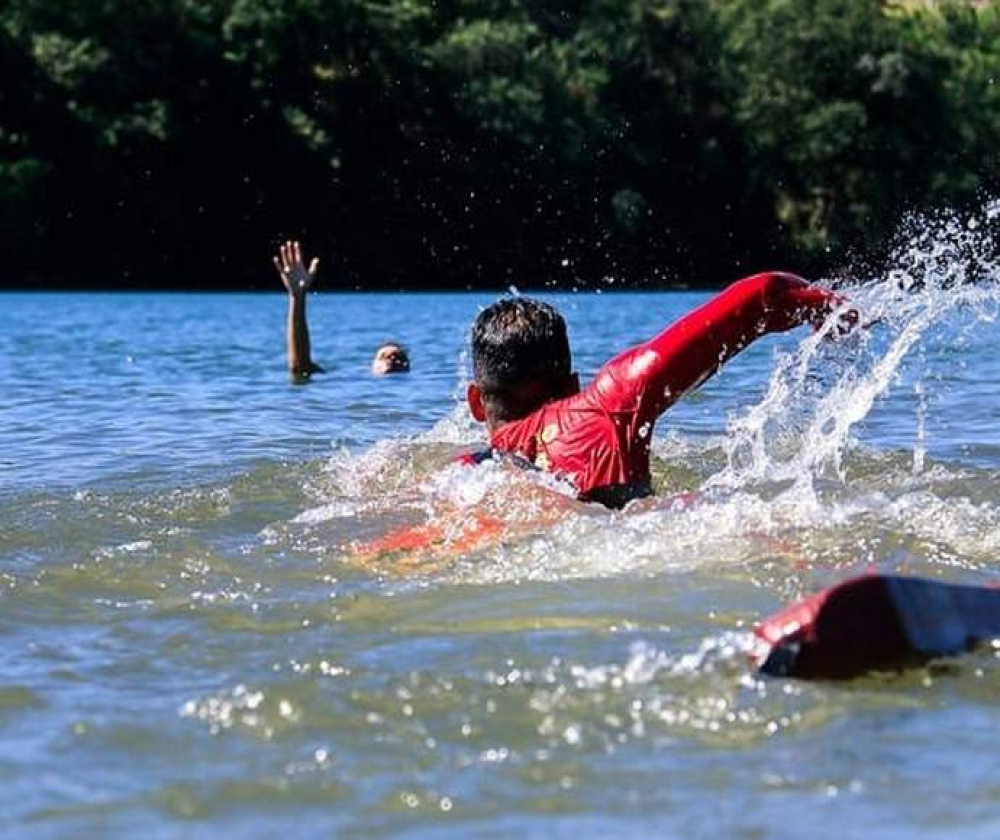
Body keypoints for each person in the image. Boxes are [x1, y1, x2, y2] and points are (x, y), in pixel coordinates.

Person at [463, 272, 853, 508]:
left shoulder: (467, 472)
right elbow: (764, 293)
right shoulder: (610, 400)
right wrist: (832, 311)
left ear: (476, 402)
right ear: (571, 385)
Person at [272, 240, 410, 379]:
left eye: (399, 358)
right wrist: (298, 297)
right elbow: (300, 367)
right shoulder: (353, 381)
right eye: (384, 357)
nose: (392, 360)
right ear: (371, 368)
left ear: (408, 368)